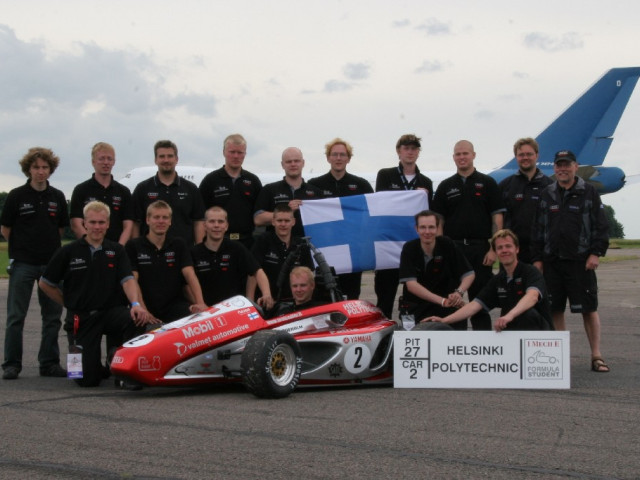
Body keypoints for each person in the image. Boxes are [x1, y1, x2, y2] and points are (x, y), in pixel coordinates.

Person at [39, 201, 154, 387]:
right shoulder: (68, 251)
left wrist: (135, 304)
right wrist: (68, 303)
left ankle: (124, 368)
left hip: (111, 313)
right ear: (84, 223)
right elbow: (45, 283)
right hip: (81, 318)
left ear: (108, 224)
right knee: (82, 378)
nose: (97, 227)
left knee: (136, 319)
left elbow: (128, 279)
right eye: (92, 222)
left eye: (101, 222)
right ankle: (99, 366)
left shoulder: (116, 250)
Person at [532, 150, 610, 372]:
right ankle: (559, 356)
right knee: (554, 309)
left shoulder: (588, 192)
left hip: (580, 262)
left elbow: (601, 226)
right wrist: (537, 259)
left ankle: (596, 355)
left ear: (575, 166)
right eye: (559, 165)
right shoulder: (547, 194)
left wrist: (596, 253)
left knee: (588, 308)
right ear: (554, 168)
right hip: (552, 263)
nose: (562, 169)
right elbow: (538, 228)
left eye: (566, 165)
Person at [1, 147, 69, 380]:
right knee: (15, 317)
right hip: (23, 264)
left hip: (50, 265)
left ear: (50, 170)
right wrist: (22, 248)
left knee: (52, 317)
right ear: (28, 170)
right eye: (36, 168)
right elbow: (6, 228)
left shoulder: (57, 196)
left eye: (45, 168)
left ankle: (49, 363)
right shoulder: (16, 196)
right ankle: (12, 364)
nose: (41, 172)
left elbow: (60, 228)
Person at [432, 140, 505, 330]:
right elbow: (438, 221)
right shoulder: (445, 186)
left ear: (473, 155)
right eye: (458, 154)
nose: (461, 157)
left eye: (465, 153)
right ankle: (457, 348)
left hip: (480, 250)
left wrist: (493, 249)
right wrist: (442, 249)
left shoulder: (488, 183)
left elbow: (497, 218)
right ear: (453, 157)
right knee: (454, 302)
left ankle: (484, 346)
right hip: (453, 250)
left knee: (479, 303)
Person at [425, 229, 553, 331]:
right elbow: (475, 306)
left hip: (540, 336)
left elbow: (532, 297)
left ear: (517, 249)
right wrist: (444, 320)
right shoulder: (498, 280)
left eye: (508, 246)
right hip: (513, 335)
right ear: (496, 252)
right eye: (500, 248)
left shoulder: (530, 271)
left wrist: (509, 316)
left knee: (526, 314)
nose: (504, 251)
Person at [374, 134, 433, 319]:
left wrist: (422, 195)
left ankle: (413, 335)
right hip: (389, 245)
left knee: (414, 298)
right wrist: (408, 194)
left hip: (414, 247)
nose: (410, 152)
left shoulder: (426, 182)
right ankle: (383, 337)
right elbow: (382, 204)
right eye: (406, 148)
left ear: (418, 152)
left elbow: (429, 217)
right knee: (385, 298)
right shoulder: (385, 175)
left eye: (414, 148)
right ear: (399, 151)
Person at [308, 138, 373, 299]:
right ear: (328, 157)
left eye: (342, 155)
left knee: (351, 297)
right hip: (325, 250)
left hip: (353, 250)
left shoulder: (361, 185)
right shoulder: (314, 185)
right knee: (324, 295)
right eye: (334, 154)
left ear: (348, 158)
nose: (338, 158)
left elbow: (372, 214)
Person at [125, 201, 207, 322]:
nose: (161, 221)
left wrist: (200, 303)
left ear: (170, 221)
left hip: (175, 306)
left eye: (165, 217)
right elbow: (133, 280)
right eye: (156, 217)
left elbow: (190, 274)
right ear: (148, 220)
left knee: (197, 318)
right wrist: (143, 309)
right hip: (146, 306)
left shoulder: (179, 244)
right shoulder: (134, 245)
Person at [398, 210, 475, 327]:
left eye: (431, 227)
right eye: (423, 227)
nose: (427, 232)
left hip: (447, 307)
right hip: (417, 306)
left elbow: (469, 274)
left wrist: (458, 293)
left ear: (438, 228)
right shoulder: (409, 248)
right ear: (416, 229)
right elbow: (411, 286)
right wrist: (442, 301)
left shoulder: (448, 244)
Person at [192, 206, 274, 309]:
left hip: (233, 310)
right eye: (212, 221)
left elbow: (258, 271)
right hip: (206, 311)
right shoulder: (194, 252)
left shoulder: (236, 248)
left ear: (226, 226)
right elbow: (186, 285)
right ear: (204, 225)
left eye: (220, 222)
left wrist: (266, 294)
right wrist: (198, 304)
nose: (216, 225)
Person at [132, 140, 205, 245]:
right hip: (150, 253)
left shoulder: (190, 189)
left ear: (176, 159)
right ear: (155, 160)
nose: (166, 160)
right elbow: (136, 223)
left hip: (183, 253)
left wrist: (199, 249)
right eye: (162, 156)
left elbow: (199, 222)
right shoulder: (142, 189)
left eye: (170, 156)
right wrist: (136, 248)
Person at [199, 134, 262, 248]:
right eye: (232, 152)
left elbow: (259, 214)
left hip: (247, 242)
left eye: (240, 153)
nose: (236, 156)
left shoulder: (253, 181)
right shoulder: (211, 180)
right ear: (224, 152)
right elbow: (200, 216)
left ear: (245, 154)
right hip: (217, 242)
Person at [498, 138, 552, 264]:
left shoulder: (550, 186)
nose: (525, 158)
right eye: (521, 155)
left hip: (542, 253)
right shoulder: (505, 186)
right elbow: (498, 218)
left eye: (529, 154)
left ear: (537, 156)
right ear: (516, 157)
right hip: (512, 252)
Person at [69, 142, 134, 245]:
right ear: (93, 162)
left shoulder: (123, 192)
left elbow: (128, 225)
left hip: (116, 252)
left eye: (109, 159)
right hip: (88, 251)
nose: (106, 162)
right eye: (101, 158)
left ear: (114, 162)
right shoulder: (81, 190)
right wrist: (91, 246)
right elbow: (76, 224)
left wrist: (119, 248)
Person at [253, 147, 323, 238]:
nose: (293, 164)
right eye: (288, 162)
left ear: (303, 163)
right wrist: (286, 211)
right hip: (276, 247)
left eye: (296, 161)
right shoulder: (269, 189)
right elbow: (258, 220)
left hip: (308, 246)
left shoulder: (316, 192)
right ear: (282, 164)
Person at [250, 204, 314, 301]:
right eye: (279, 220)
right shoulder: (263, 240)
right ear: (273, 222)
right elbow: (252, 272)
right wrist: (250, 301)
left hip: (294, 302)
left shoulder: (301, 244)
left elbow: (309, 276)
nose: (283, 224)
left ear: (293, 222)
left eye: (287, 221)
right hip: (267, 301)